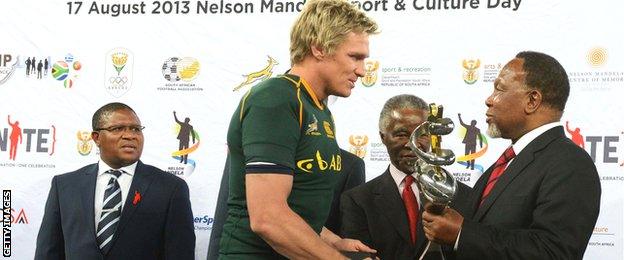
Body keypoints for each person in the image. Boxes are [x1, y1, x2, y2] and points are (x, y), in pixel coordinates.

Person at [218, 0, 379, 258]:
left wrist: (335, 242)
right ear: (318, 48)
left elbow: (297, 209)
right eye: (354, 57)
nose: (361, 71)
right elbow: (268, 217)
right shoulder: (276, 99)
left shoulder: (317, 108)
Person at [421, 51, 601, 259]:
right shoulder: (508, 161)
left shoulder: (571, 164)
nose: (489, 100)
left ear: (532, 100)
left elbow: (554, 252)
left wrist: (462, 233)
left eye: (499, 89)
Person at [35, 102, 195, 260]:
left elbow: (180, 253)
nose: (130, 135)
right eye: (118, 129)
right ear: (96, 138)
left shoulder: (170, 188)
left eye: (136, 129)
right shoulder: (65, 186)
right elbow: (48, 252)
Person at [340, 94, 471, 260]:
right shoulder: (357, 200)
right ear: (383, 137)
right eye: (401, 134)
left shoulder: (463, 196)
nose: (411, 144)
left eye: (422, 135)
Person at [207, 149, 365, 260]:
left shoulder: (348, 165)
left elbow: (296, 218)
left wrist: (335, 242)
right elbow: (223, 226)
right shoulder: (247, 153)